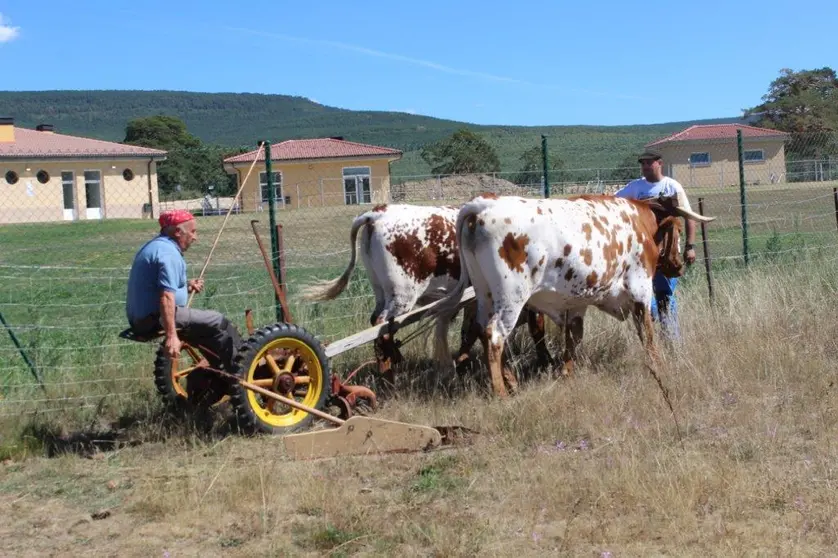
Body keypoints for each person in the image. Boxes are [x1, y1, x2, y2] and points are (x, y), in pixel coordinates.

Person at [125, 209, 242, 374]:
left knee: (212, 333)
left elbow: (159, 287)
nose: (195, 237)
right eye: (193, 232)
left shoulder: (156, 246)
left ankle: (222, 369)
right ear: (178, 232)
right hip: (154, 318)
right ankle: (244, 367)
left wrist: (186, 287)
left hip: (142, 318)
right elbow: (166, 297)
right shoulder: (168, 254)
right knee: (219, 321)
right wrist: (172, 336)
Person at [615, 150, 697, 340]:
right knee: (641, 295)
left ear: (659, 163)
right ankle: (652, 330)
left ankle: (672, 341)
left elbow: (689, 217)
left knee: (665, 296)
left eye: (649, 163)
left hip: (666, 251)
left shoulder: (671, 186)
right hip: (641, 254)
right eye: (642, 163)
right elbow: (615, 202)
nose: (645, 166)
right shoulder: (635, 187)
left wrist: (690, 246)